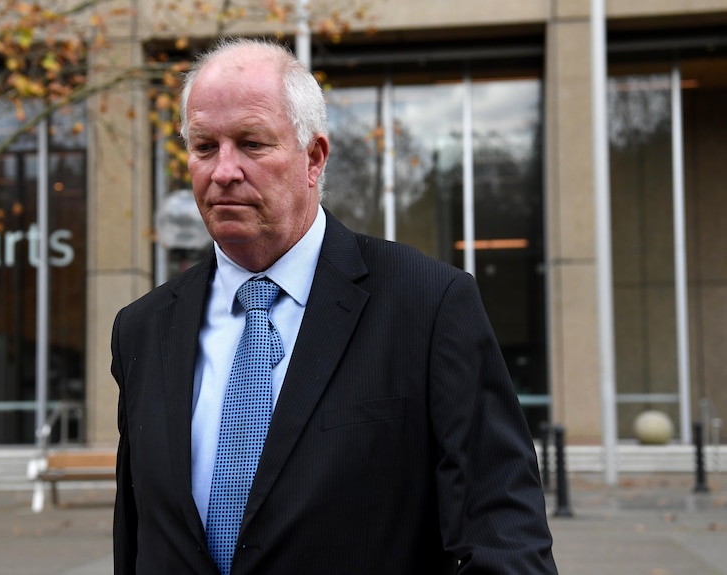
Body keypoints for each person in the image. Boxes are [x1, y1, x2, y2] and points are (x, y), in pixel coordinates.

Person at [111, 37, 558, 574]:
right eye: (205, 147)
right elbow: (139, 540)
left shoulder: (429, 305)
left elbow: (504, 535)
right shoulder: (141, 330)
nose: (223, 171)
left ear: (314, 159)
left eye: (252, 144)